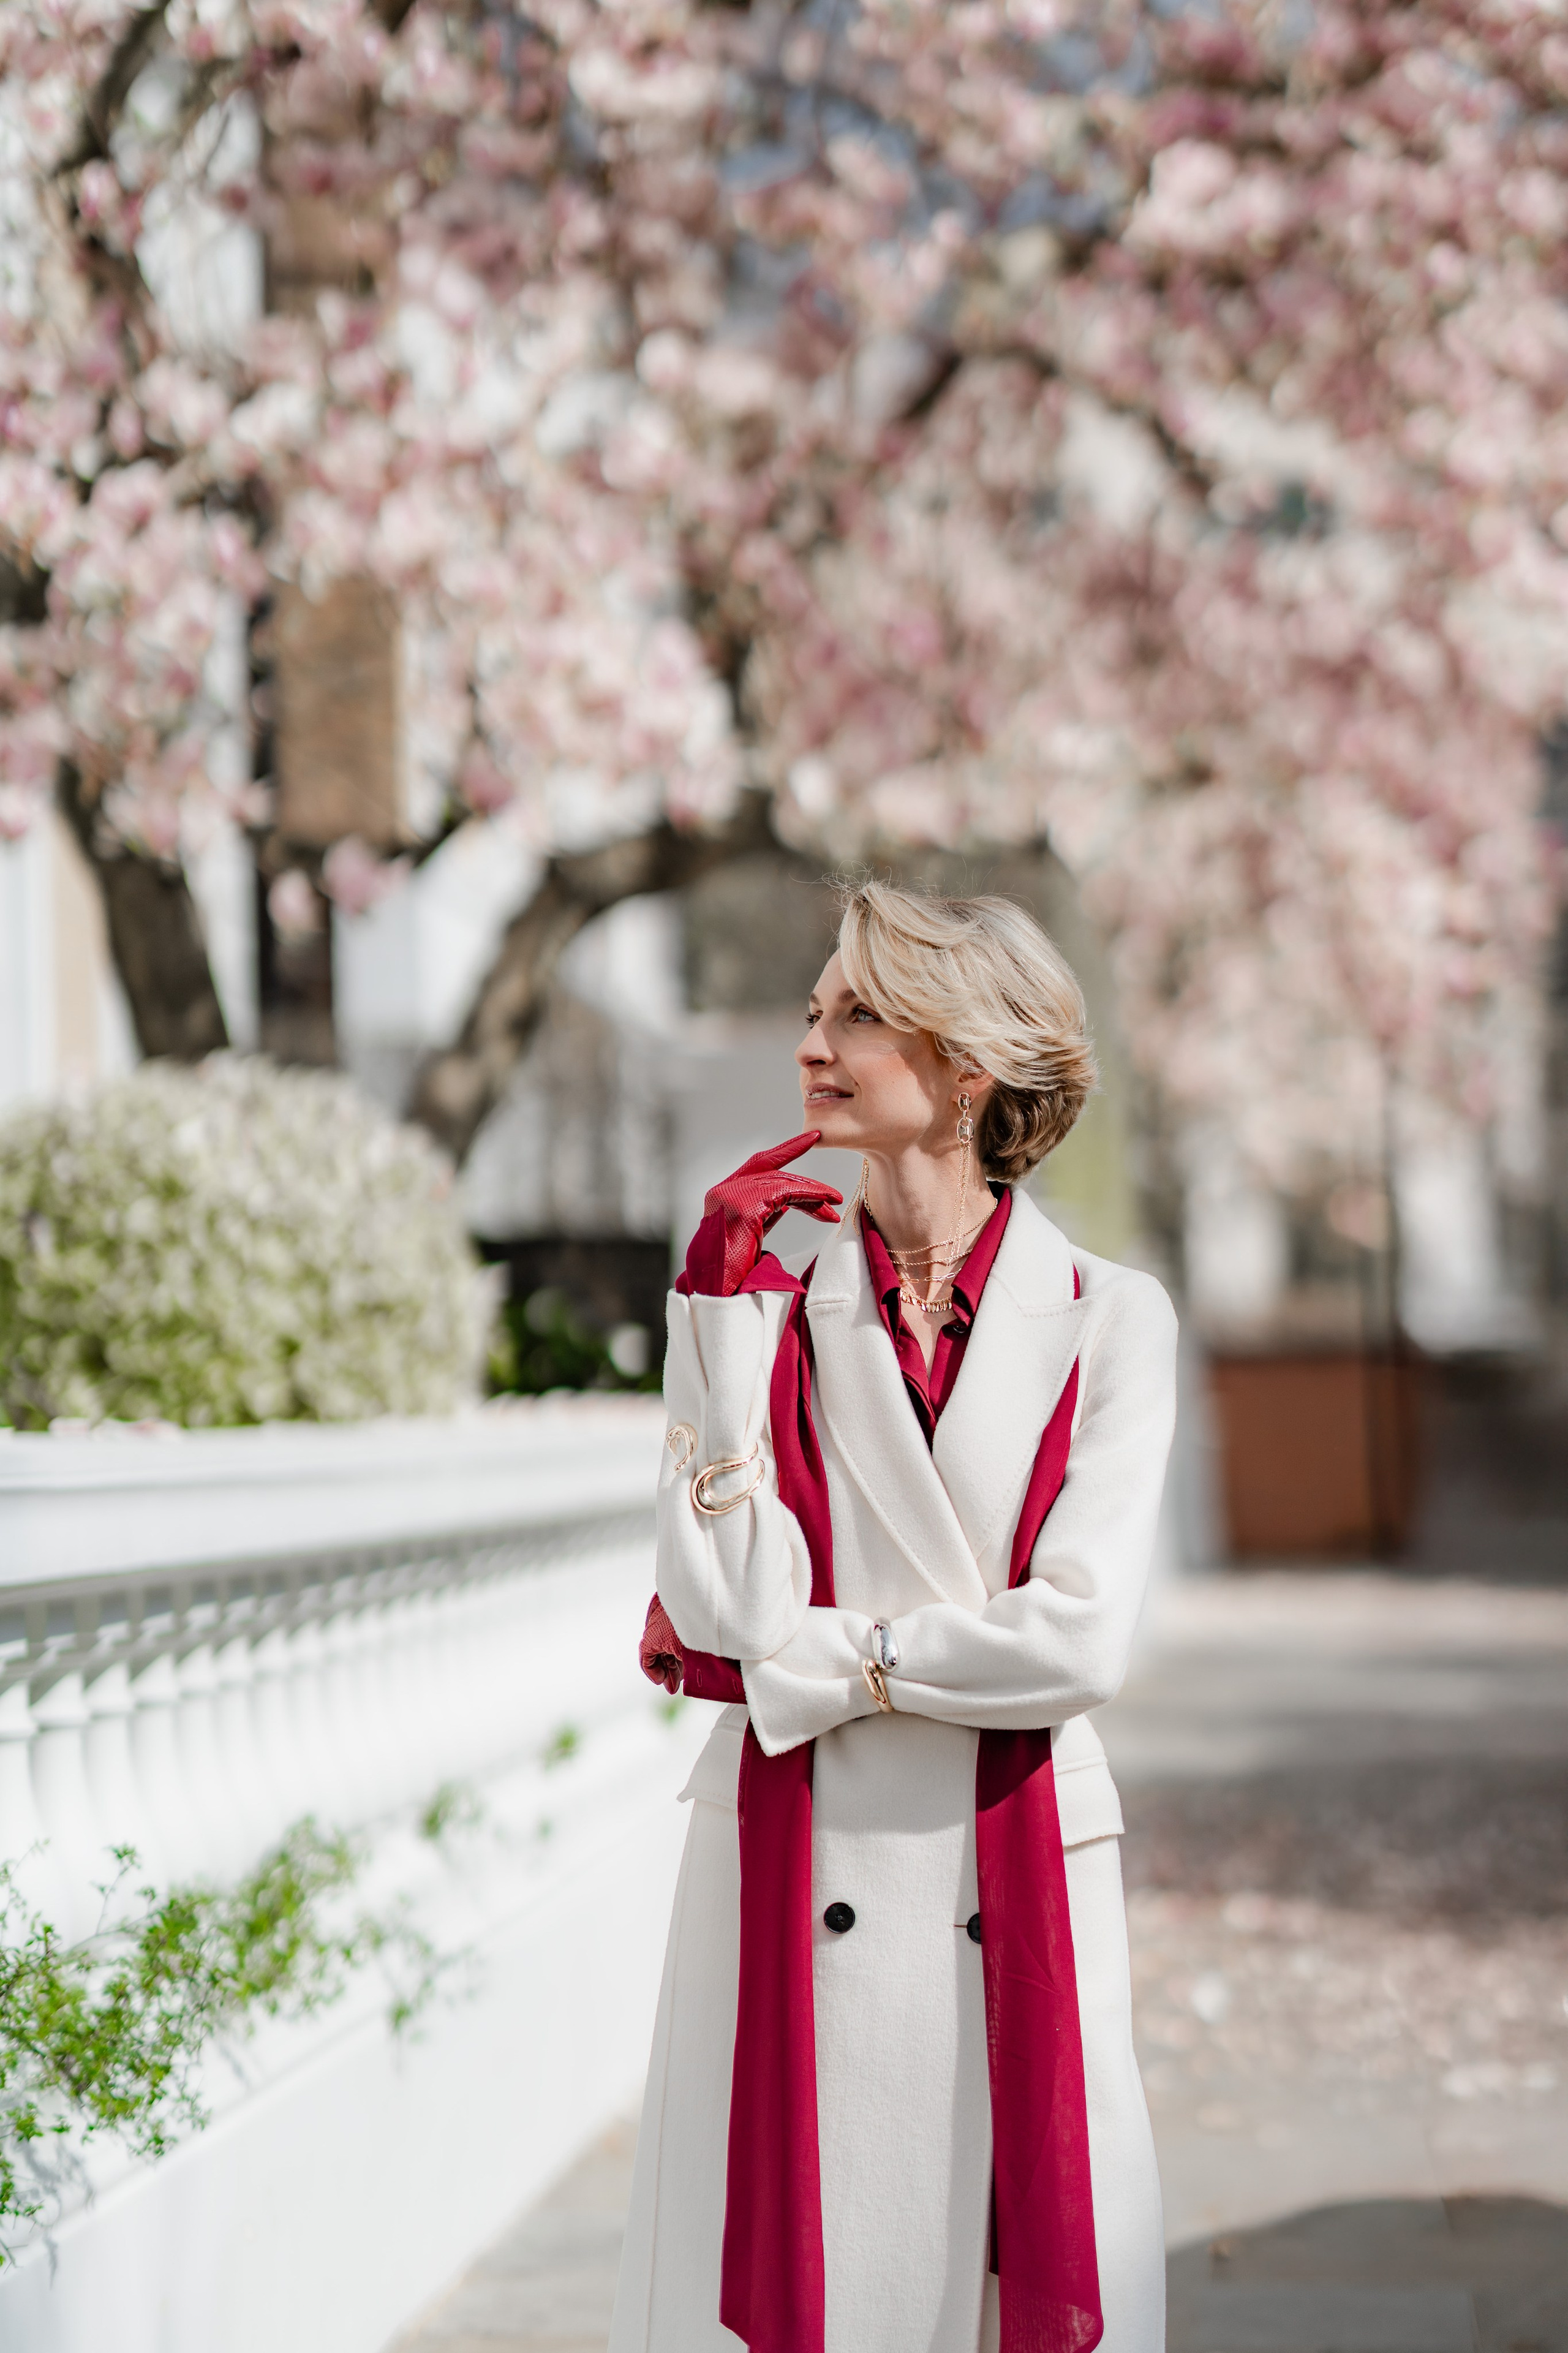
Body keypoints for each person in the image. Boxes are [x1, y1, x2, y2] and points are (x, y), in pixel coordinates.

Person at [609, 881, 1177, 2353]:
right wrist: (716, 1326)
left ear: (964, 1065)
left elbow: (1075, 1640)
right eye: (814, 1008)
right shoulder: (767, 1302)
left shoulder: (1112, 1318)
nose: (812, 1042)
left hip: (1014, 1861)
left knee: (1012, 2285)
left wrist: (841, 1660)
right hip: (786, 1867)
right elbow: (722, 1613)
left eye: (856, 1012)